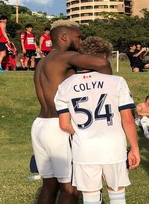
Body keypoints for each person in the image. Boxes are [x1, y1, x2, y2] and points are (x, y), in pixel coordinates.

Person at [31, 20, 112, 204]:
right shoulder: (63, 57)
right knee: (70, 189)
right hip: (59, 126)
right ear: (64, 37)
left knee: (49, 185)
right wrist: (109, 87)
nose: (81, 41)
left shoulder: (43, 61)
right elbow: (102, 62)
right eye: (78, 37)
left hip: (40, 125)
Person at [54, 36, 140, 204]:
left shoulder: (65, 85)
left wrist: (82, 133)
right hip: (113, 147)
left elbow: (64, 124)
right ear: (105, 57)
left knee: (90, 198)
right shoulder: (117, 81)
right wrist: (134, 148)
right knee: (117, 196)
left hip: (84, 149)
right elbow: (127, 119)